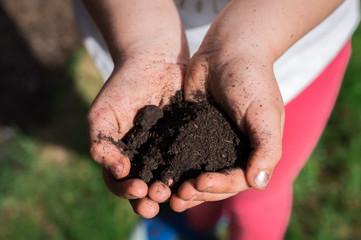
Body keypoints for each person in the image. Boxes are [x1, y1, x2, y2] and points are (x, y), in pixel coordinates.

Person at [73, 0, 360, 239]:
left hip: (294, 48)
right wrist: (142, 43)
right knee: (192, 188)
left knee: (259, 195)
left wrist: (249, 43)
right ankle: (194, 227)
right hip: (133, 27)